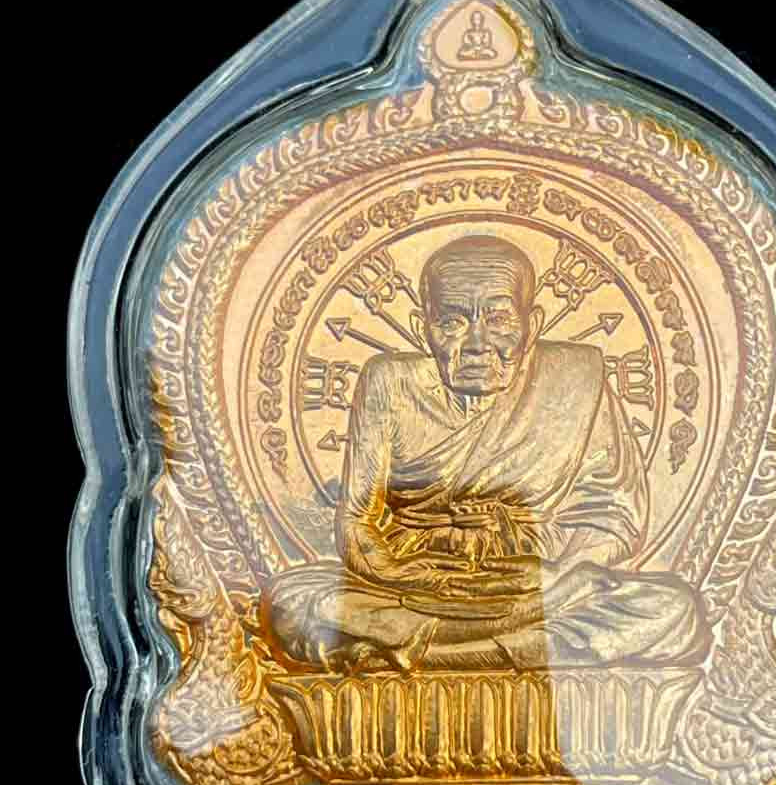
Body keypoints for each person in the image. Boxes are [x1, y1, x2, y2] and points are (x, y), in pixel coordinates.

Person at [264, 235, 709, 672]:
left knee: (674, 608)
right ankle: (505, 645)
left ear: (532, 325)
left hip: (537, 581)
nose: (477, 343)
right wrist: (411, 575)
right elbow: (357, 521)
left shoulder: (577, 379)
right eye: (452, 322)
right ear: (422, 329)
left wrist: (561, 576)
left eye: (498, 320)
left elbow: (612, 514)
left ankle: (430, 655)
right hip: (414, 584)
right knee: (292, 603)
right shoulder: (388, 383)